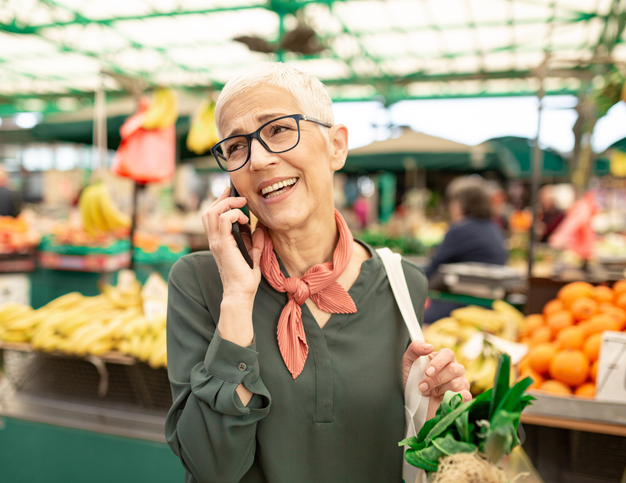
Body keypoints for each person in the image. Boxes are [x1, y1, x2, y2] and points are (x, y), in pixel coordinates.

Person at [165, 63, 471, 483]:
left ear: (336, 147)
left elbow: (412, 455)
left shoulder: (403, 282)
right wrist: (237, 298)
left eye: (277, 130)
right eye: (236, 147)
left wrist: (429, 406)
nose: (257, 159)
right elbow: (212, 469)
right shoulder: (202, 282)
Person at [424, 178, 507, 323]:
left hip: (464, 305)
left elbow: (430, 271)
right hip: (489, 305)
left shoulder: (461, 230)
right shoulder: (494, 227)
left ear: (459, 204)